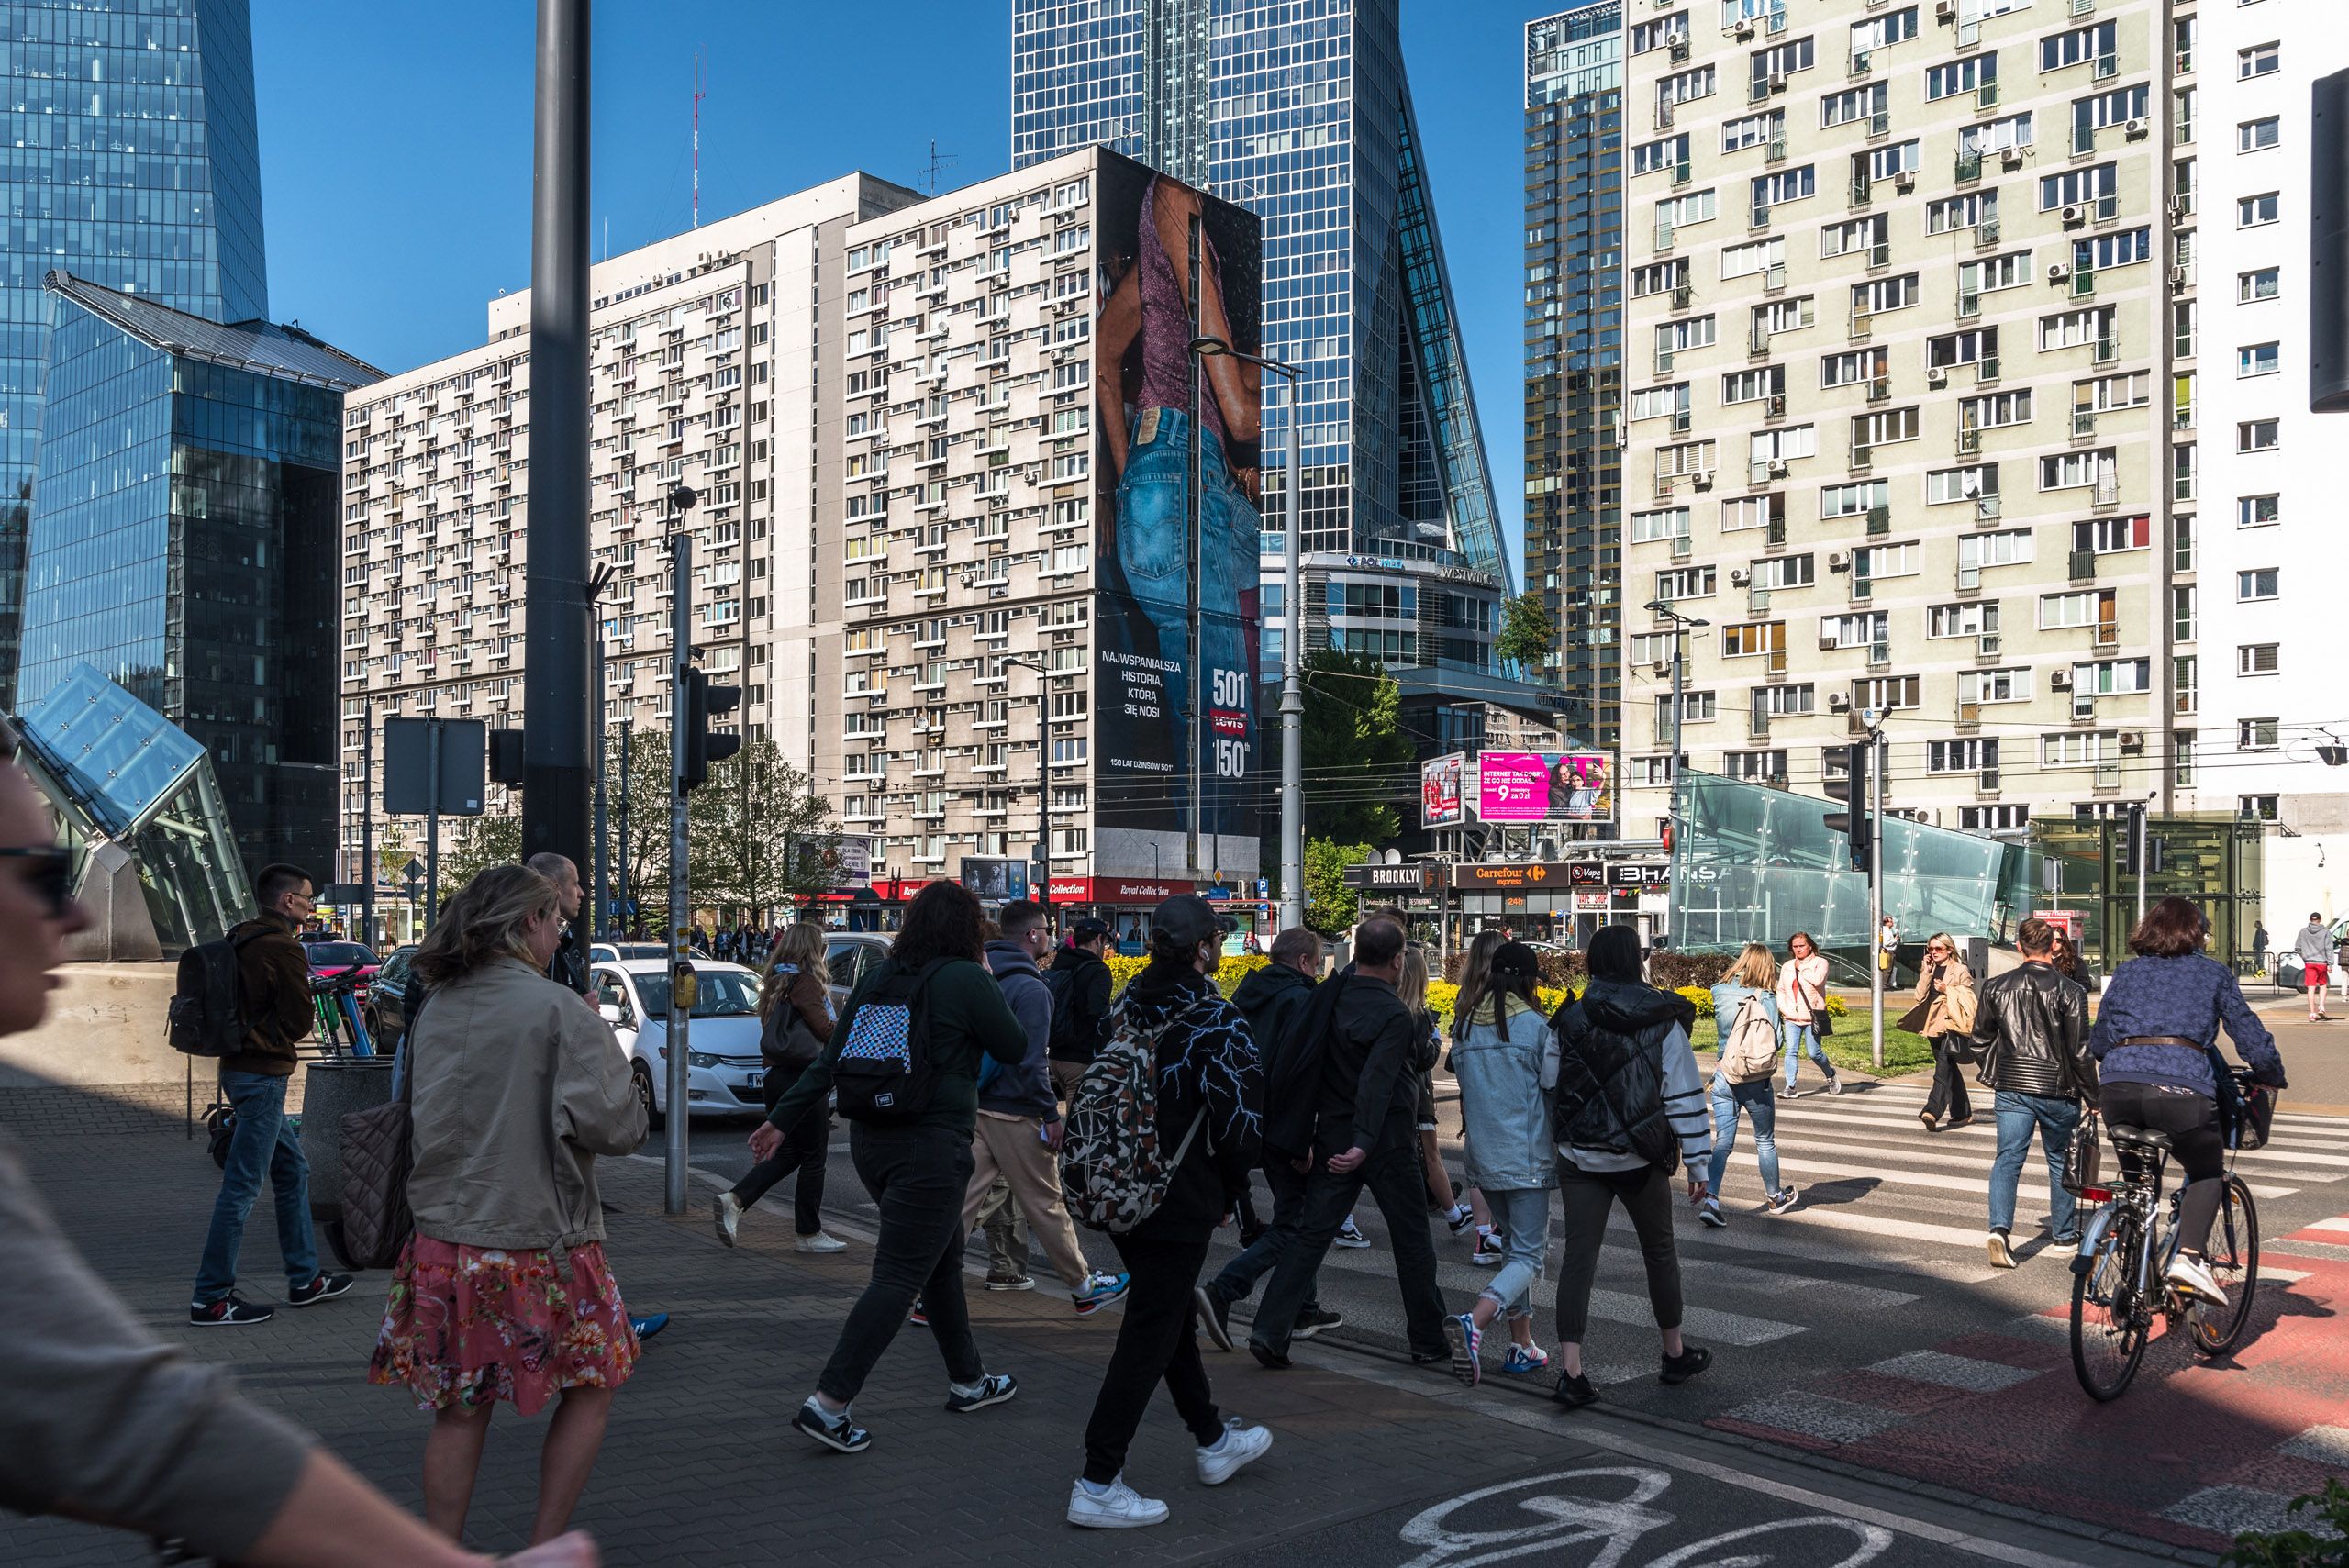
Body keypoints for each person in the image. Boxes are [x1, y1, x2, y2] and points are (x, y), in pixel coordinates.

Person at [368, 865, 648, 1546]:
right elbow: (619, 1127)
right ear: (528, 922)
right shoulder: (556, 1009)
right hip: (541, 1242)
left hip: (442, 1243)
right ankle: (545, 1545)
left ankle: (442, 1550)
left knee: (460, 1412)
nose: (561, 933)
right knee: (594, 1382)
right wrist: (600, 1041)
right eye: (556, 920)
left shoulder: (437, 1004)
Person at [751, 881, 1030, 1453]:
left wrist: (780, 1119)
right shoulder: (966, 977)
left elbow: (829, 1061)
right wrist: (985, 973)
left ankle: (969, 1380)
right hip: (930, 1146)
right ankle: (829, 1404)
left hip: (871, 1144)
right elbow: (1013, 1044)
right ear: (967, 928)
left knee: (942, 1260)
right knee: (900, 1276)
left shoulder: (880, 977)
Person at [1068, 896, 1273, 1528]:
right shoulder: (1216, 1017)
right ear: (1206, 946)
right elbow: (1239, 1126)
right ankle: (1098, 1480)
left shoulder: (1125, 1007)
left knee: (1169, 1311)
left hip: (1122, 1187)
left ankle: (1212, 1440)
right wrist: (1234, 1197)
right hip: (1180, 1196)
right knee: (1150, 1328)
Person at [1245, 917, 1449, 1370]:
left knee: (1311, 1235)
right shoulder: (1394, 1013)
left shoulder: (1328, 997)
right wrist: (1365, 1141)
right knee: (1412, 1239)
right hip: (1385, 1141)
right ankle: (1428, 1340)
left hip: (1333, 1137)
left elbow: (1303, 1063)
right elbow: (1378, 1082)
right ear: (1398, 961)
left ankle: (1270, 1330)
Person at [2088, 896, 2287, 1303]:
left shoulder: (2126, 973)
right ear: (2195, 933)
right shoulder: (2212, 974)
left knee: (2140, 1182)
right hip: (2183, 1091)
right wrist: (2270, 1075)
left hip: (2118, 1090)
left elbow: (2098, 1041)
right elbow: (2248, 1036)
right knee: (2206, 1170)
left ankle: (2135, 1268)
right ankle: (2190, 1261)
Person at [1548, 924, 1714, 1409]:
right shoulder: (1663, 1019)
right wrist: (1699, 1165)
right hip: (1640, 1157)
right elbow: (1683, 1096)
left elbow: (1548, 1081)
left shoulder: (1569, 1017)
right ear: (1636, 960)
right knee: (1659, 1251)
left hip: (1579, 1155)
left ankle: (1572, 1371)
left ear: (1593, 962)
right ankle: (1674, 1354)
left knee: (1579, 1257)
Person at [190, 862, 353, 1327]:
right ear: (287, 901)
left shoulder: (240, 936)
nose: (311, 903)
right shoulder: (282, 946)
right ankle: (211, 1297)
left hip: (239, 1069)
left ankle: (305, 1279)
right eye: (307, 896)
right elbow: (301, 1020)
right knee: (241, 1186)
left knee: (292, 1169)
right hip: (262, 1074)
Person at [527, 852, 669, 1343]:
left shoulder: (456, 997)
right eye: (576, 884)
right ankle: (599, 1326)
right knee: (570, 1232)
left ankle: (598, 1320)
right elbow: (626, 1127)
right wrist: (582, 1016)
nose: (584, 893)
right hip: (544, 1141)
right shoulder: (538, 983)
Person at [962, 900, 1130, 1311]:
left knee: (961, 1204)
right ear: (1033, 935)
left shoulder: (980, 975)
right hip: (1016, 1110)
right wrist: (1047, 1114)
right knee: (1047, 1203)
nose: (1052, 937)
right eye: (1047, 930)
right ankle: (1084, 1287)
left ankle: (927, 1290)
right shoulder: (1030, 987)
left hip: (977, 1104)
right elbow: (1031, 1059)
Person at [1199, 926, 1342, 1348]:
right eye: (1316, 964)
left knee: (1296, 1216)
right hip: (1285, 1126)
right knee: (1295, 1226)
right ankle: (1223, 1289)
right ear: (1302, 962)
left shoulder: (1247, 993)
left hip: (1248, 1121)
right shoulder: (1301, 999)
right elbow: (1299, 1075)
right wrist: (1304, 1140)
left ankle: (1304, 1308)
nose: (1317, 972)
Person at [1442, 940, 1558, 1385]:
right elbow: (1553, 1088)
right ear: (1527, 982)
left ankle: (1522, 1345)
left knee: (1513, 1249)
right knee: (1529, 1254)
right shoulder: (1536, 1027)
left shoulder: (1466, 1025)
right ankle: (1475, 1321)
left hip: (1482, 1157)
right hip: (1525, 1156)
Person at [1971, 917, 2096, 1269]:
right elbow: (2080, 1052)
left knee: (2008, 1159)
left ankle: (1999, 1229)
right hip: (2058, 1089)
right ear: (2052, 946)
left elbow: (1979, 1040)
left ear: (2019, 947)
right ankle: (2064, 1236)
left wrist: (1997, 1070)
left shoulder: (1995, 987)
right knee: (2060, 1160)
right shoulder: (2071, 991)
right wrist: (2094, 1097)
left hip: (2012, 1088)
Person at [713, 921, 845, 1254]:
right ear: (812, 950)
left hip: (775, 1077)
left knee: (789, 1151)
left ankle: (736, 1200)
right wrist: (845, 1028)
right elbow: (826, 1030)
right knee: (814, 1155)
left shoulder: (775, 982)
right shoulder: (806, 984)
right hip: (804, 1076)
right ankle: (808, 1233)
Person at [1705, 944, 1797, 1227]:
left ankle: (1711, 1199)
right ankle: (1775, 1197)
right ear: (1766, 967)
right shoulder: (1766, 997)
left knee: (1722, 1143)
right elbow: (1777, 1041)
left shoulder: (1718, 990)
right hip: (1756, 1081)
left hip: (1724, 1075)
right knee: (1764, 1140)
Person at [1401, 947, 1475, 1237]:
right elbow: (1426, 1058)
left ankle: (1452, 1212)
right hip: (1418, 1096)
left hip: (1398, 1098)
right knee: (1432, 1155)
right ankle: (1454, 1215)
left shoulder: (1389, 1006)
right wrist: (1434, 1037)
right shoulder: (1417, 1015)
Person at [1044, 915, 1117, 1103]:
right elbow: (1098, 1015)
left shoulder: (1061, 962)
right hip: (1081, 1058)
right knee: (1080, 1126)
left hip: (1055, 1056)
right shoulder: (1098, 971)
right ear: (1098, 939)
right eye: (1105, 942)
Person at [1913, 933, 1979, 1132]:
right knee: (1949, 1068)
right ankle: (1962, 1113)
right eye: (1930, 949)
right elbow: (1919, 997)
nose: (1933, 953)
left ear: (1949, 950)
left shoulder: (1960, 970)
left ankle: (1932, 1109)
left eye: (1938, 949)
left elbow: (1968, 996)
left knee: (1942, 1068)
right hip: (1932, 1025)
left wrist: (1946, 989)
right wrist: (1925, 972)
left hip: (1951, 1024)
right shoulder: (1930, 969)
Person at [1775, 931, 1839, 1100]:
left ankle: (1830, 1073)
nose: (1798, 949)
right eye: (1795, 946)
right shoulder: (1788, 966)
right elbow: (1780, 988)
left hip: (1812, 1016)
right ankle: (1790, 1086)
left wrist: (1801, 967)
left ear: (1810, 945)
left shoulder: (1820, 963)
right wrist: (1783, 1008)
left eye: (1801, 946)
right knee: (1791, 1051)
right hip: (1792, 1017)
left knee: (1814, 1053)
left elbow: (1818, 980)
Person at [2294, 912, 2332, 1021]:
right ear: (2320, 920)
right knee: (2323, 985)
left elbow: (2297, 947)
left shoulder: (2303, 932)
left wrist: (2305, 957)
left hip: (2309, 962)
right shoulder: (2326, 932)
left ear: (2310, 919)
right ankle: (2321, 1006)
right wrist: (2330, 963)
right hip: (2322, 962)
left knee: (2311, 988)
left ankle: (2312, 1013)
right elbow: (2329, 948)